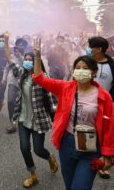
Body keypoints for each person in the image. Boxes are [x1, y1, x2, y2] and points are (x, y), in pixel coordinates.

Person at [33, 38, 114, 190]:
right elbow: (39, 78)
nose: (81, 70)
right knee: (69, 186)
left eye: (85, 68)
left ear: (93, 72)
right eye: (78, 67)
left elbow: (109, 126)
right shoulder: (65, 88)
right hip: (67, 144)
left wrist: (107, 153)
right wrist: (37, 55)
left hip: (91, 148)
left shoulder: (104, 97)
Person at [3, 33, 58, 188]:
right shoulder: (21, 74)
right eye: (26, 59)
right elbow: (9, 59)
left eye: (30, 60)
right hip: (22, 117)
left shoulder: (41, 78)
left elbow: (39, 73)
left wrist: (38, 54)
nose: (27, 62)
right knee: (24, 148)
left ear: (35, 62)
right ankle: (33, 175)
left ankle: (50, 157)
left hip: (38, 120)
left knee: (39, 150)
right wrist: (6, 42)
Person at [87, 36, 114, 179]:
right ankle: (87, 157)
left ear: (101, 49)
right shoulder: (87, 63)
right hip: (87, 104)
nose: (90, 50)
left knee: (105, 134)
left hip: (105, 106)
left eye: (93, 48)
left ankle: (103, 162)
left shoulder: (112, 65)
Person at [2, 37, 26, 133]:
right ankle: (13, 123)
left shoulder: (27, 57)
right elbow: (6, 68)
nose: (19, 47)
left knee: (22, 103)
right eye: (18, 45)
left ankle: (23, 120)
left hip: (24, 84)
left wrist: (20, 56)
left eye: (21, 45)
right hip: (13, 82)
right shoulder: (11, 57)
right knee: (11, 101)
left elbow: (26, 66)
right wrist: (4, 78)